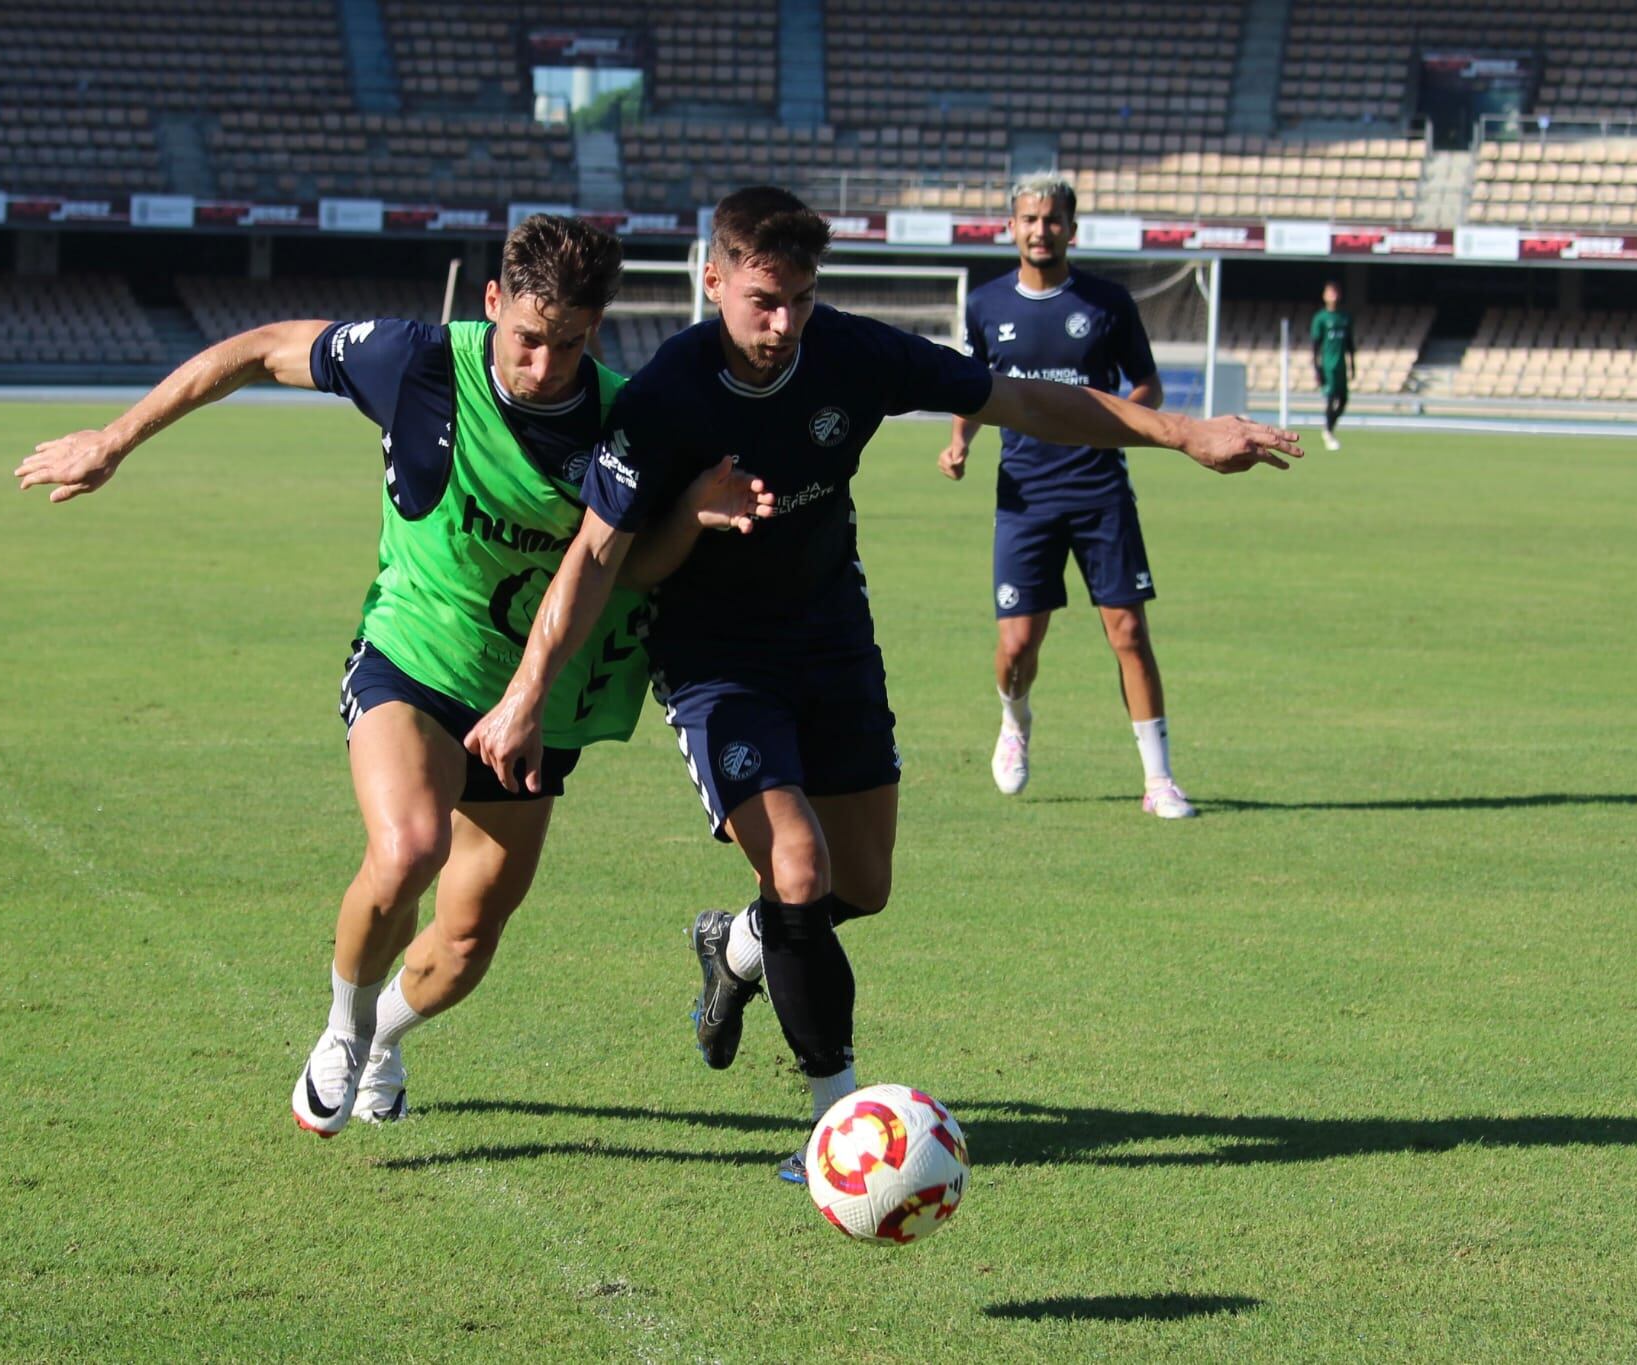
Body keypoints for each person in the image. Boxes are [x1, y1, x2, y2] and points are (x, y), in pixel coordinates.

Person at [463, 187, 1302, 1182]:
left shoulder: (854, 354)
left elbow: (1022, 400)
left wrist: (1180, 433)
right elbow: (609, 561)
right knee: (801, 872)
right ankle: (836, 1126)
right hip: (714, 663)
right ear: (713, 280)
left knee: (858, 887)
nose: (783, 324)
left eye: (801, 299)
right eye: (762, 300)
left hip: (832, 643)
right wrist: (532, 685)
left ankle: (733, 947)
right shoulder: (664, 399)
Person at [13, 216, 770, 1139]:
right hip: (411, 658)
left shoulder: (627, 417)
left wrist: (693, 514)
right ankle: (341, 1029)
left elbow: (631, 569)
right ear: (493, 304)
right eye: (529, 339)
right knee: (409, 846)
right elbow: (261, 349)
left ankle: (381, 1039)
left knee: (464, 943)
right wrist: (117, 437)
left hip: (536, 701)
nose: (545, 366)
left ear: (597, 329)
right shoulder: (416, 363)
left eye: (570, 343)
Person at [939, 172, 1190, 814]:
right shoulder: (988, 305)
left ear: (1070, 229)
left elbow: (1148, 387)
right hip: (1025, 494)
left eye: (1052, 220)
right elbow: (976, 385)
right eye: (1029, 219)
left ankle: (1158, 779)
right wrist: (960, 441)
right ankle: (1015, 721)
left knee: (1129, 631)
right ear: (1012, 227)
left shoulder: (1108, 304)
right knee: (1018, 647)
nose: (1041, 230)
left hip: (1100, 488)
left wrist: (1116, 423)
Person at [1311, 281, 1356, 452]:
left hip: (1341, 364)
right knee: (1331, 398)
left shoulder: (1345, 318)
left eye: (1336, 292)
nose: (1333, 296)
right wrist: (1317, 368)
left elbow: (1350, 344)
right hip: (1328, 365)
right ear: (1324, 296)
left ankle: (1329, 428)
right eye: (1330, 292)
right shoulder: (1320, 318)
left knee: (1343, 400)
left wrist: (1353, 366)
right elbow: (1315, 346)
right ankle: (1328, 432)